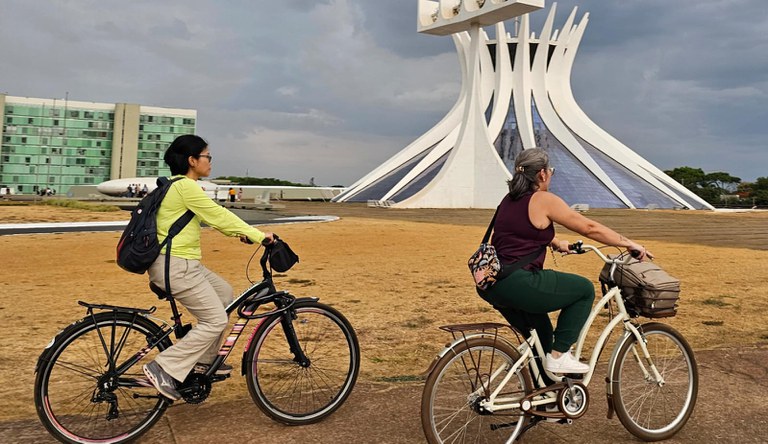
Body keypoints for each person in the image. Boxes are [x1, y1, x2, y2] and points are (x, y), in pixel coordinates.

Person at [479, 148, 652, 374]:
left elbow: (521, 232)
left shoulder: (509, 200)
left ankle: (546, 397)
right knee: (583, 290)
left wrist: (556, 242)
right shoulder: (543, 199)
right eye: (550, 171)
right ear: (542, 174)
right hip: (520, 282)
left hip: (491, 283)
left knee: (542, 343)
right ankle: (561, 355)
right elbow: (589, 227)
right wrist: (629, 244)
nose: (551, 174)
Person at [142, 134, 274, 401]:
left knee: (225, 294)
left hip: (182, 264)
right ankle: (163, 368)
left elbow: (212, 219)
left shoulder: (177, 187)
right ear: (192, 160)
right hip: (175, 266)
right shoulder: (185, 187)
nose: (210, 162)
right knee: (216, 319)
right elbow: (219, 215)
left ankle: (204, 361)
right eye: (207, 156)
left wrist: (242, 233)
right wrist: (260, 236)